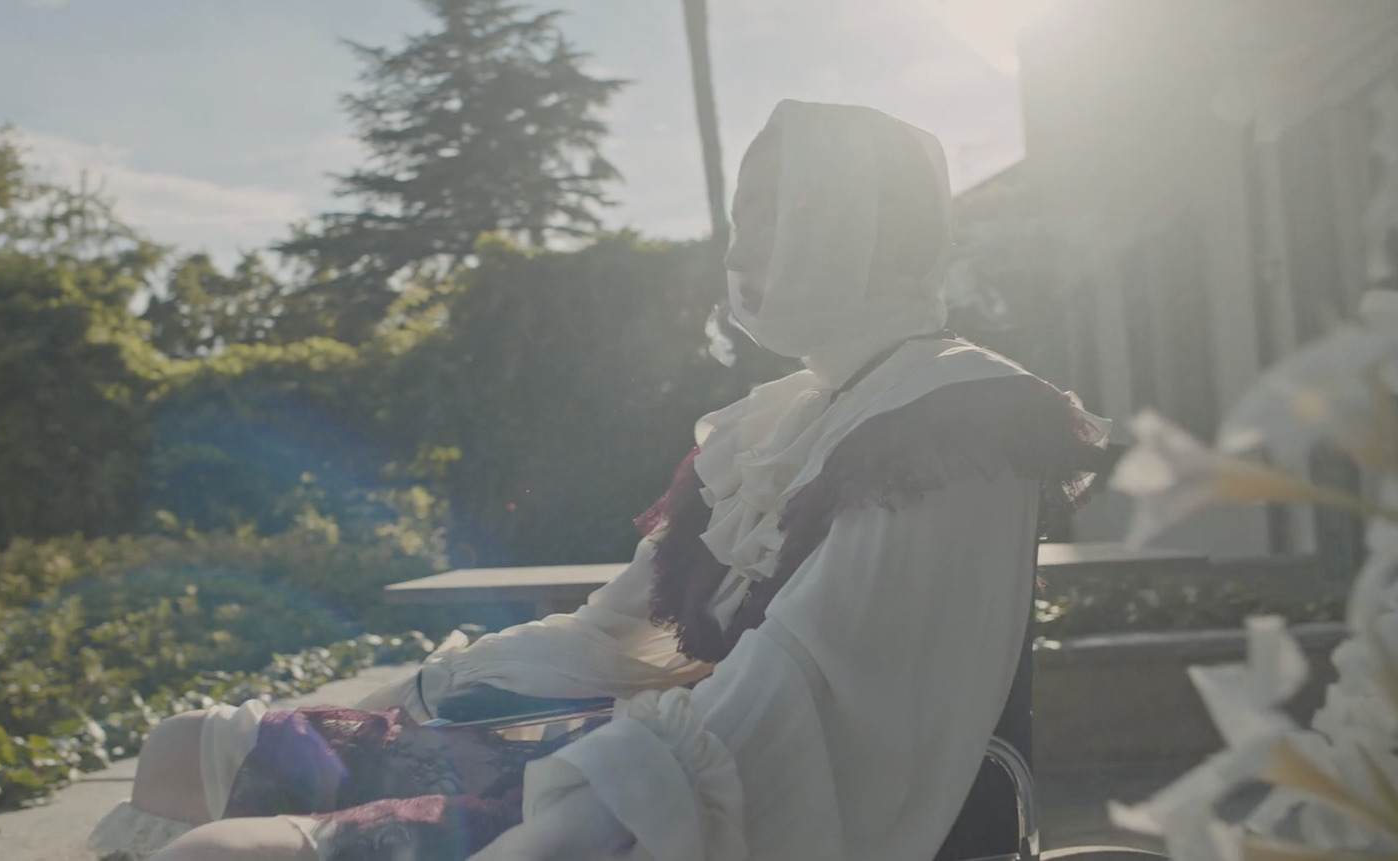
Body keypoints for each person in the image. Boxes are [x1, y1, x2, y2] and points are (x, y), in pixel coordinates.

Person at [88, 100, 1110, 861]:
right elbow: (618, 637)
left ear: (855, 220)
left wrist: (552, 824)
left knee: (213, 855)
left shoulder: (951, 418)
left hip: (753, 811)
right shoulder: (775, 420)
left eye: (771, 210)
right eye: (740, 213)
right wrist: (408, 702)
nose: (740, 245)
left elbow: (819, 720)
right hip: (636, 750)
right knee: (191, 751)